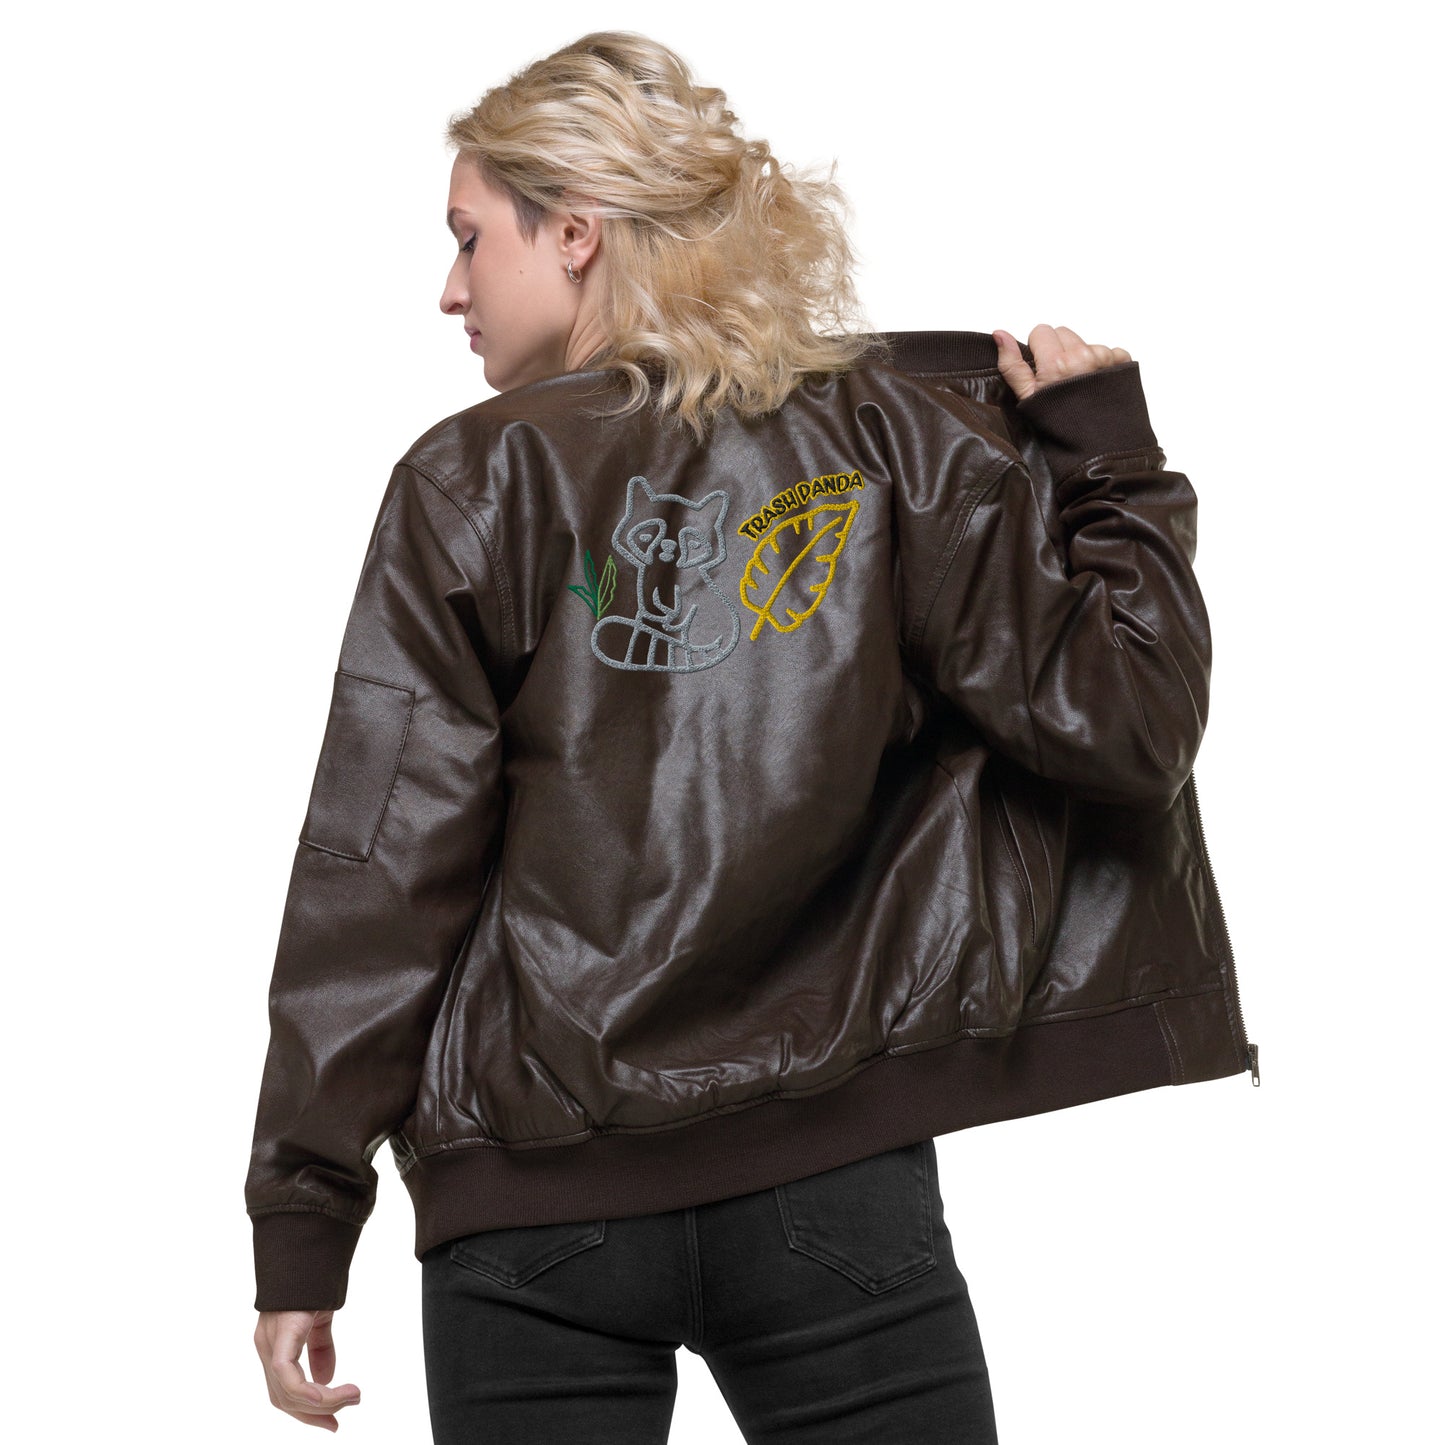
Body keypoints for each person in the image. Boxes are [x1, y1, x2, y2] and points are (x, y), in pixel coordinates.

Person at [247, 28, 1252, 1443]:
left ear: (577, 232)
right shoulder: (888, 439)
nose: (450, 289)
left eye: (470, 239)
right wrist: (1109, 461)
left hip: (536, 1203)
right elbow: (1128, 721)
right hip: (831, 1181)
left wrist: (305, 1215)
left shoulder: (468, 480)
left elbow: (378, 873)